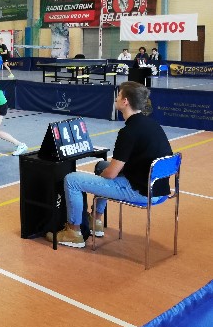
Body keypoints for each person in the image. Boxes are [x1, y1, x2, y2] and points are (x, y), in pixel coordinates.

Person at [49, 81, 173, 248]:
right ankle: (96, 220)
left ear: (125, 101)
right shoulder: (152, 124)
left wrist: (99, 179)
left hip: (141, 192)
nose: (116, 98)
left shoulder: (128, 132)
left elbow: (111, 174)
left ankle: (74, 232)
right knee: (101, 165)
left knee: (72, 180)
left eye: (119, 95)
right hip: (159, 188)